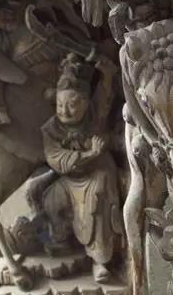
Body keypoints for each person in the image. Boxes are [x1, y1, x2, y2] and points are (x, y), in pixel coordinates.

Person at [41, 53, 122, 283]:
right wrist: (89, 153)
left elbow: (104, 96)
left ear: (86, 103)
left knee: (98, 200)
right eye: (60, 105)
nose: (64, 111)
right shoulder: (50, 129)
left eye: (72, 104)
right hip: (71, 177)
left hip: (97, 173)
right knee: (51, 200)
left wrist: (107, 75)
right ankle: (63, 240)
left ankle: (100, 261)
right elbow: (57, 159)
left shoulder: (94, 116)